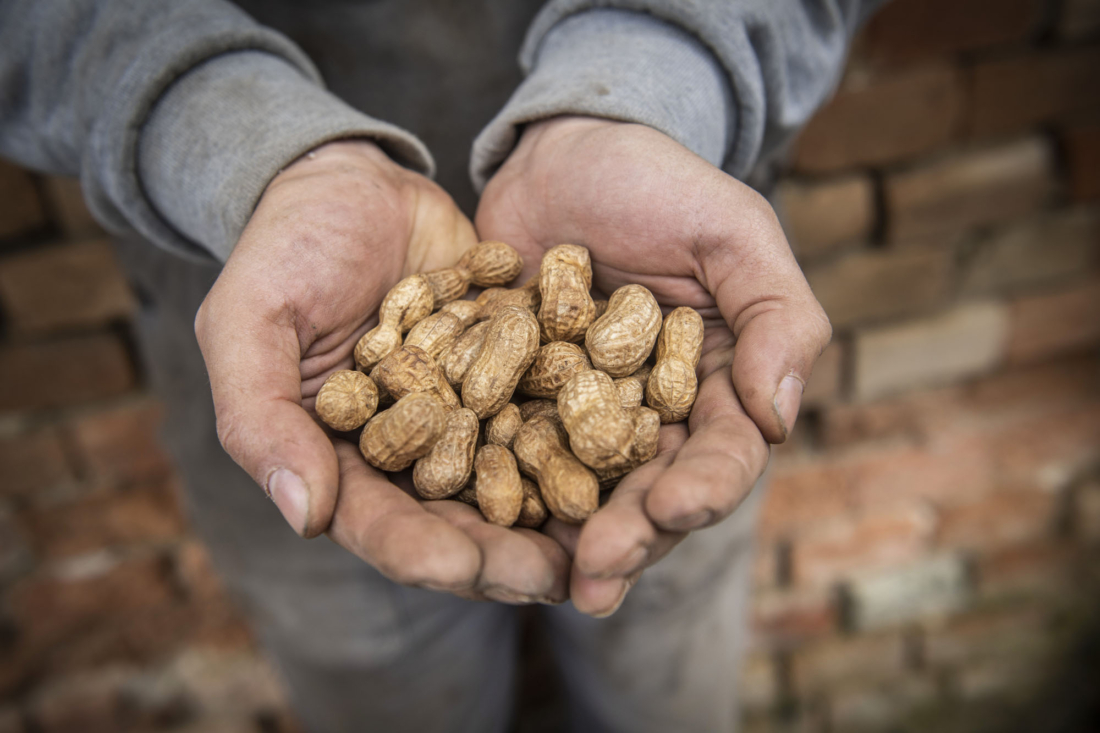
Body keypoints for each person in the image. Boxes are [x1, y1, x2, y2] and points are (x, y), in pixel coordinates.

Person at [0, 1, 884, 730]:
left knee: (663, 641)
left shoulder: (584, 356)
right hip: (280, 306)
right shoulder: (428, 368)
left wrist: (656, 73)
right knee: (378, 668)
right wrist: (229, 133)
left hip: (667, 239)